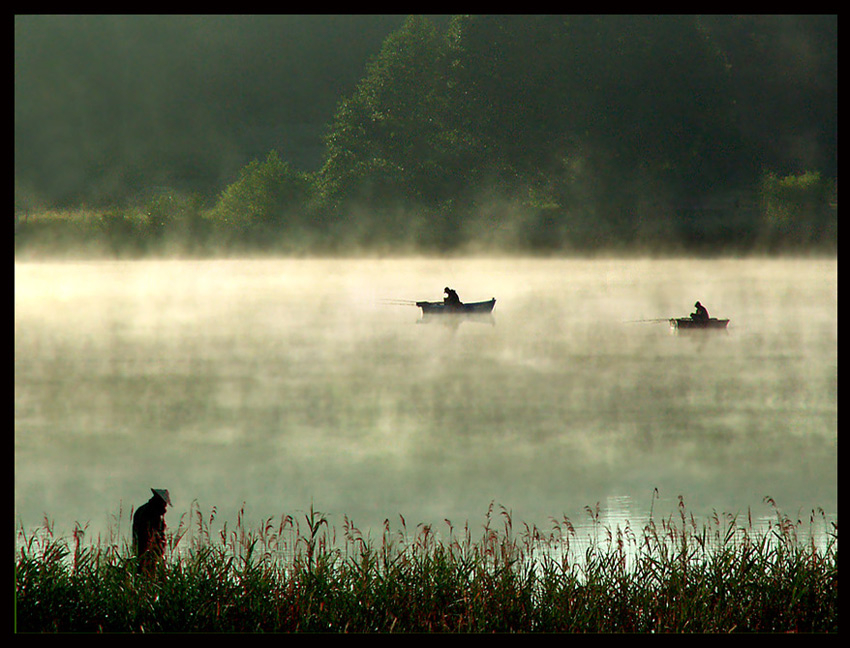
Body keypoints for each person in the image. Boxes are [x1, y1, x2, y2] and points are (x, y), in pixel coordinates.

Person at [133, 488, 171, 575]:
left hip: (140, 550)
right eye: (164, 503)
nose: (165, 506)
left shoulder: (143, 510)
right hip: (149, 552)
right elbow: (154, 535)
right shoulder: (153, 513)